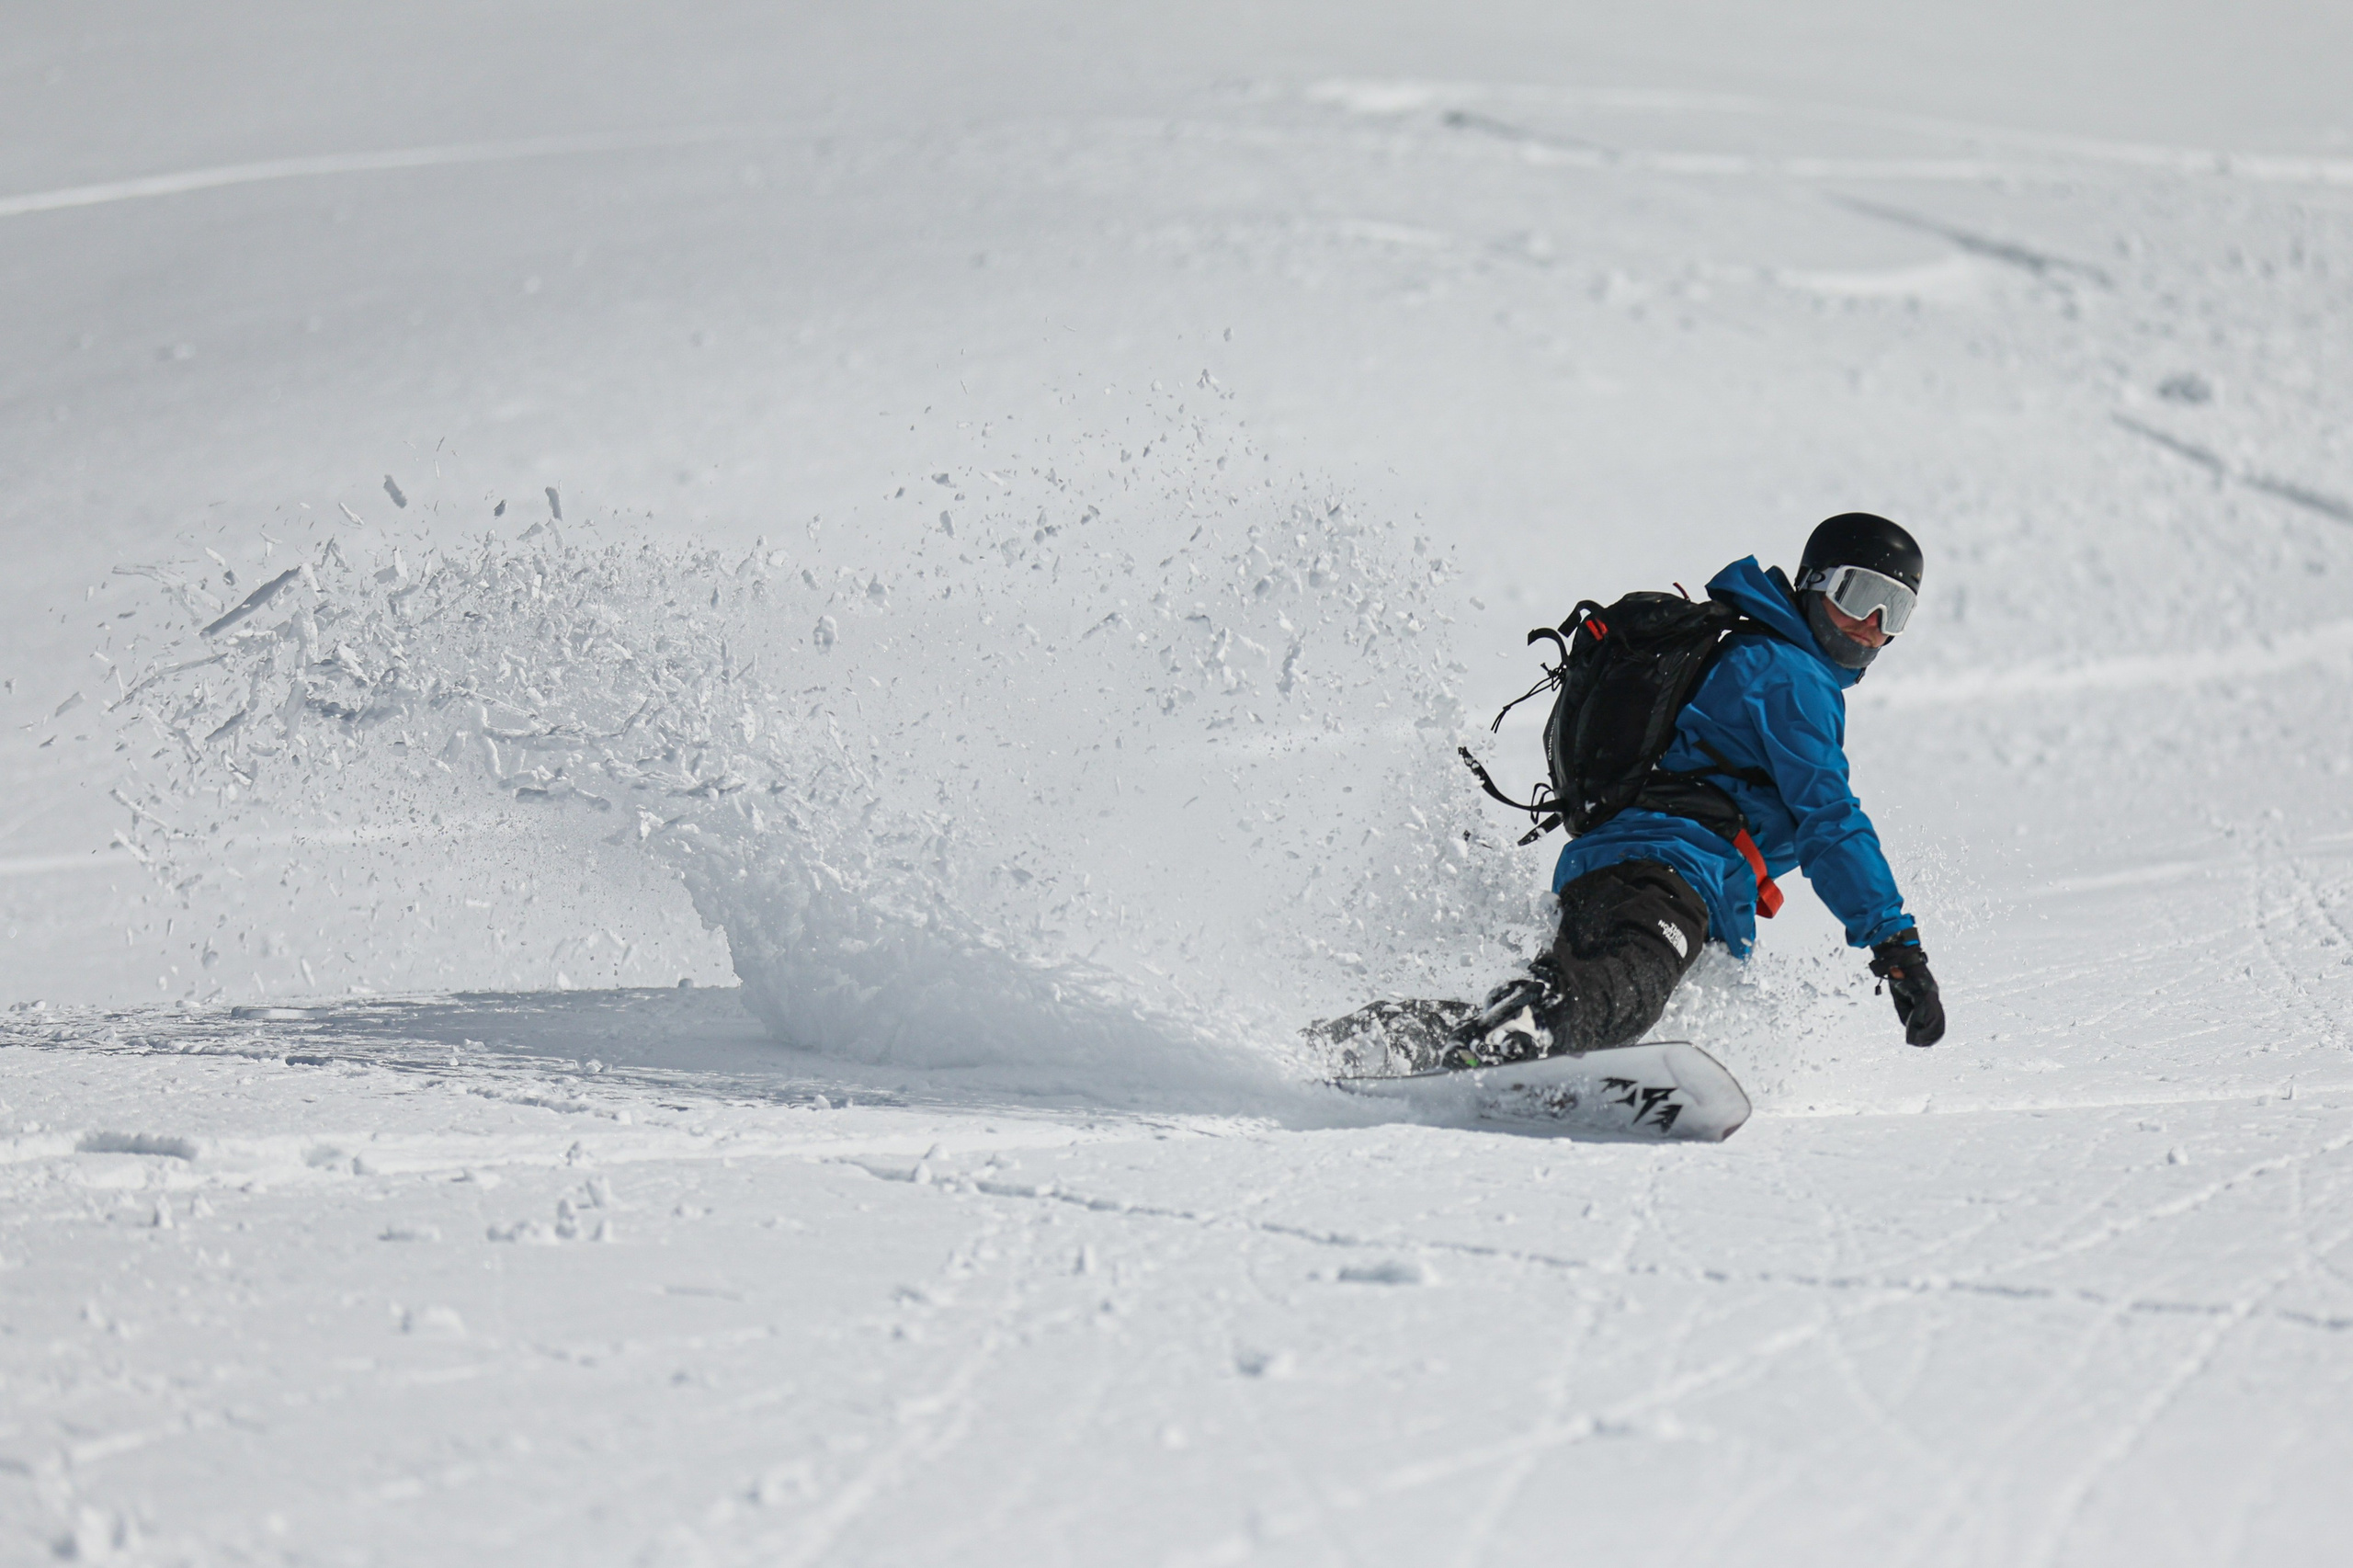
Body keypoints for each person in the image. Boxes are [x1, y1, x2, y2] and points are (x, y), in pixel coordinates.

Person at [1448, 512, 1946, 1065]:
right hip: (1668, 868)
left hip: (1630, 866)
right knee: (1623, 992)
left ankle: (1424, 1037)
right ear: (1816, 583)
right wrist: (1896, 945)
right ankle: (1506, 1038)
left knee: (1598, 1000)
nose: (1873, 623)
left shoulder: (1758, 654)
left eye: (1895, 609)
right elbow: (1829, 820)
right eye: (1862, 595)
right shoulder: (1790, 676)